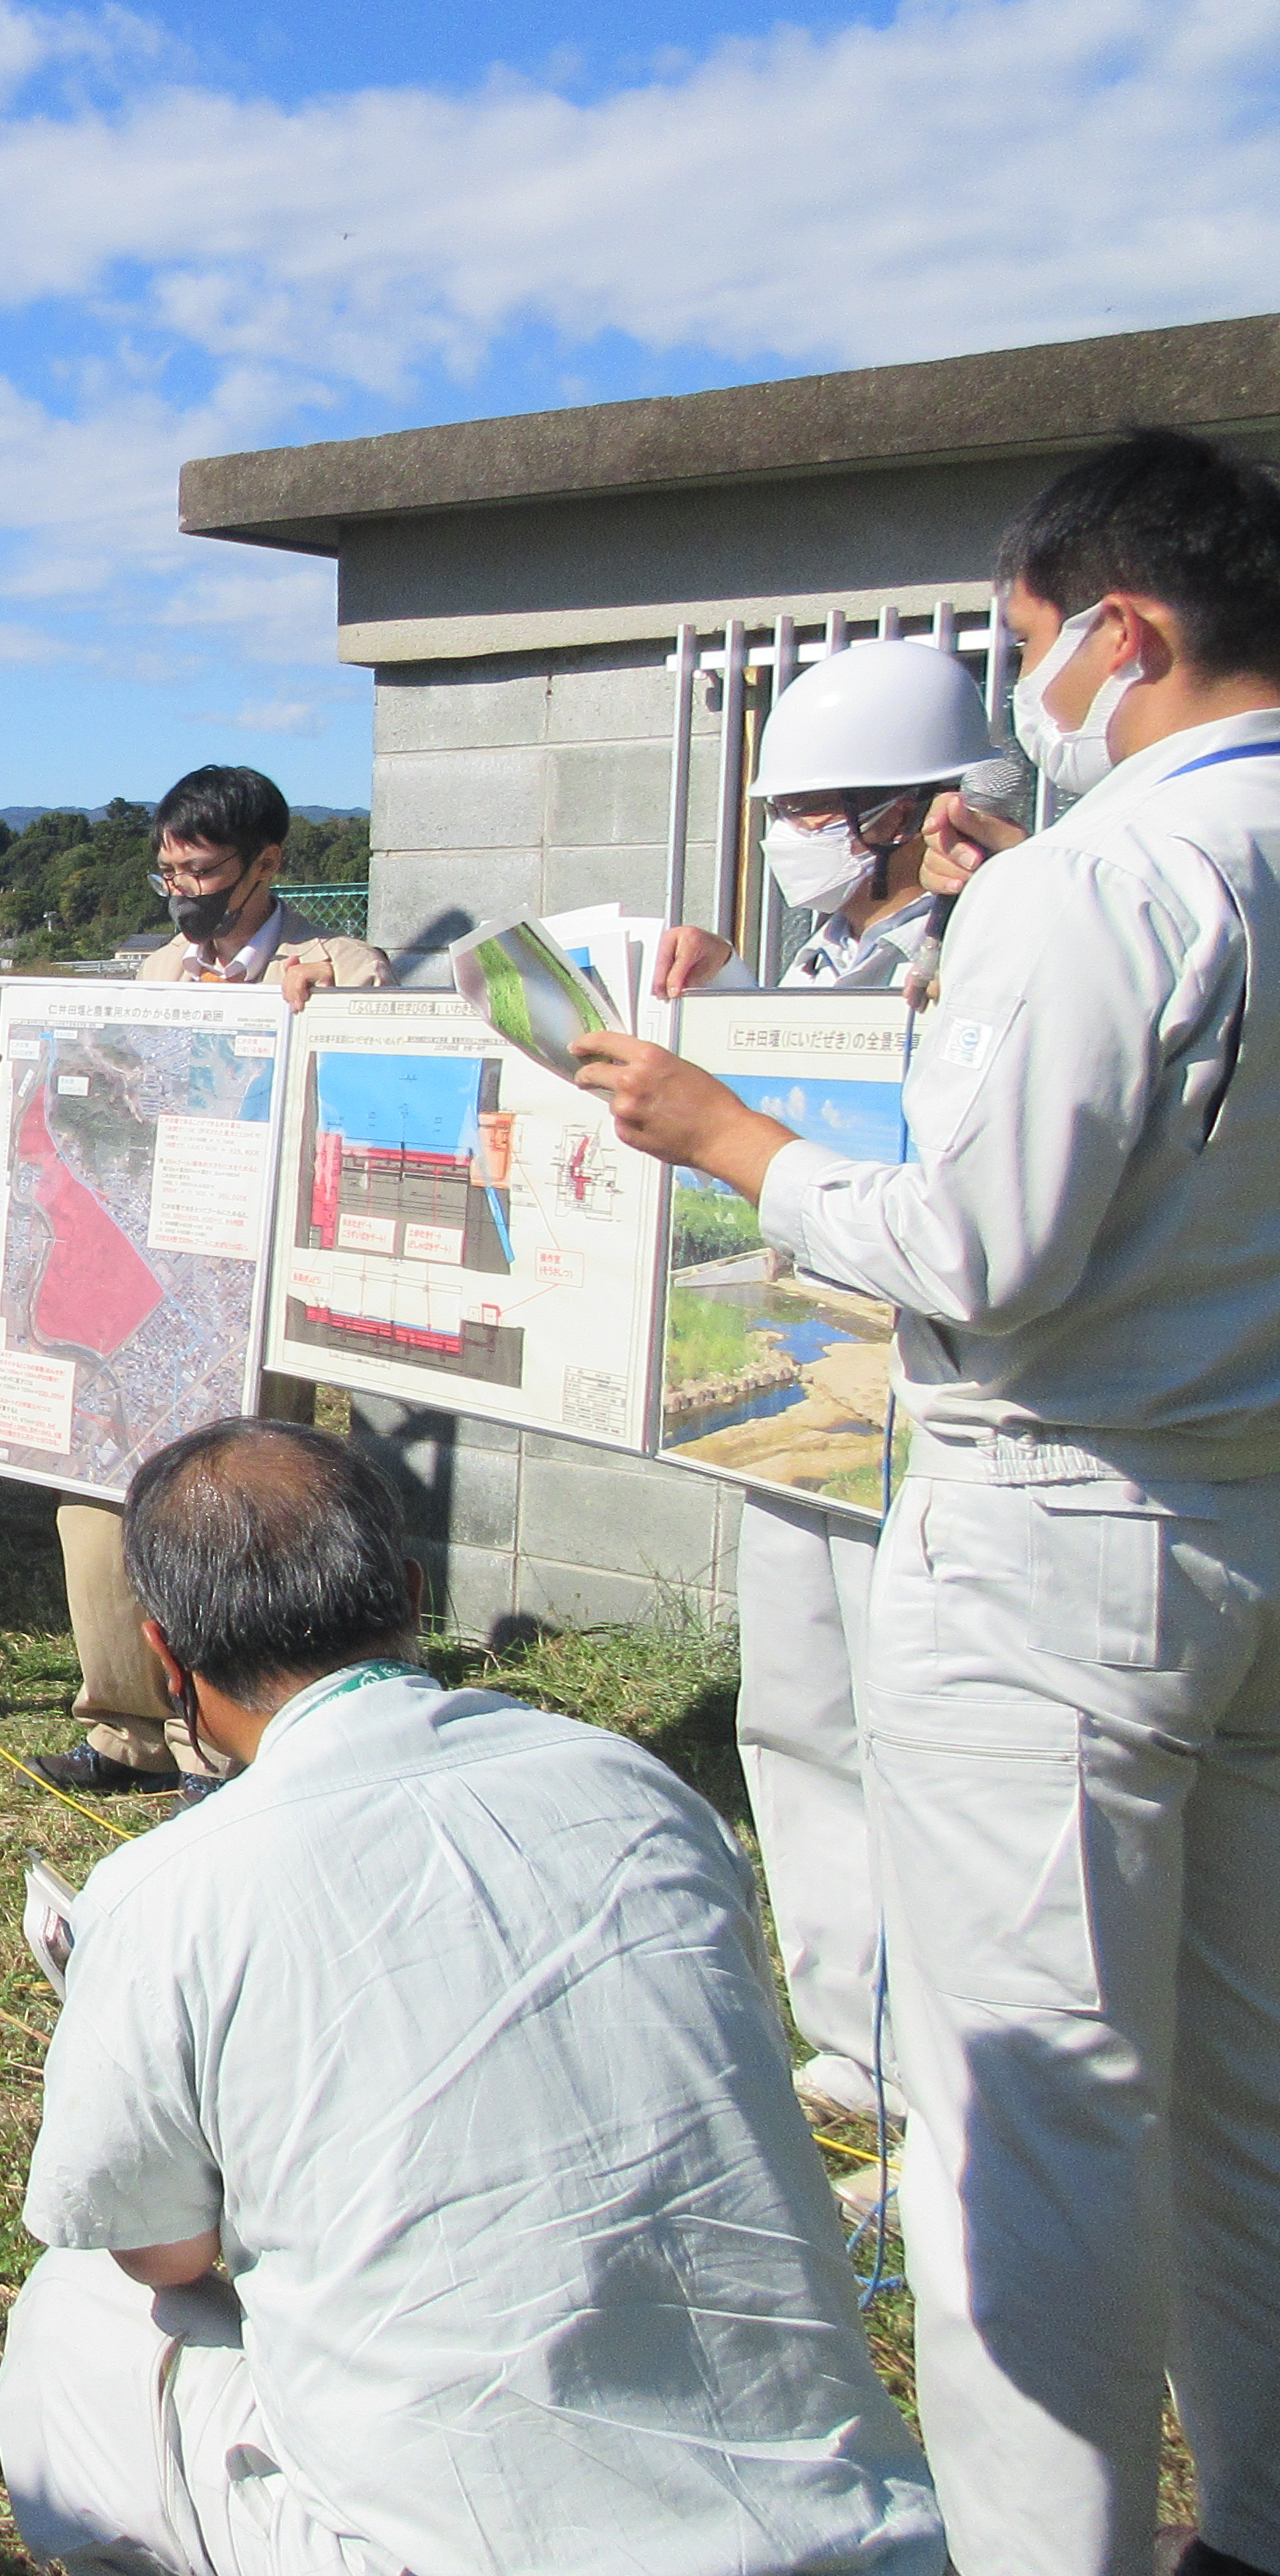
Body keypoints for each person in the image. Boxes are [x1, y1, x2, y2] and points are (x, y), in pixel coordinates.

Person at [575, 428, 1280, 2576]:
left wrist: (724, 1137)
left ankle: (1042, 2547)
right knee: (1248, 2084)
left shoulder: (1098, 881)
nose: (1027, 685)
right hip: (1255, 1505)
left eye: (1031, 643)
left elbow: (976, 1249)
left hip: (1063, 1526)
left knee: (1035, 2103)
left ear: (1125, 634)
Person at [0, 1421, 943, 2576]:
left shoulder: (165, 1893)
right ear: (409, 1592)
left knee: (73, 2317)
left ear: (162, 1652)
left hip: (455, 2544)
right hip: (851, 2528)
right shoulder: (645, 1794)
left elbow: (164, 2254)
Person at [633, 640, 1001, 2144]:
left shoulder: (994, 954)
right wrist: (726, 1005)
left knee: (920, 1733)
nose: (795, 838)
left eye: (825, 809)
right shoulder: (823, 968)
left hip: (929, 1409)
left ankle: (945, 2053)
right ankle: (848, 2022)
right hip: (802, 1407)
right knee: (796, 1711)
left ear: (922, 811)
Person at [4, 767, 388, 1800]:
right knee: (95, 1507)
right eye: (166, 868)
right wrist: (24, 1084)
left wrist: (326, 1017)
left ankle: (228, 1744)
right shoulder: (154, 974)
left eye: (203, 869)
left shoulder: (342, 966)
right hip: (135, 1286)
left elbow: (374, 1097)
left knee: (237, 1516)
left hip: (248, 1302)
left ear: (267, 863)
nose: (181, 889)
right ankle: (124, 1725)